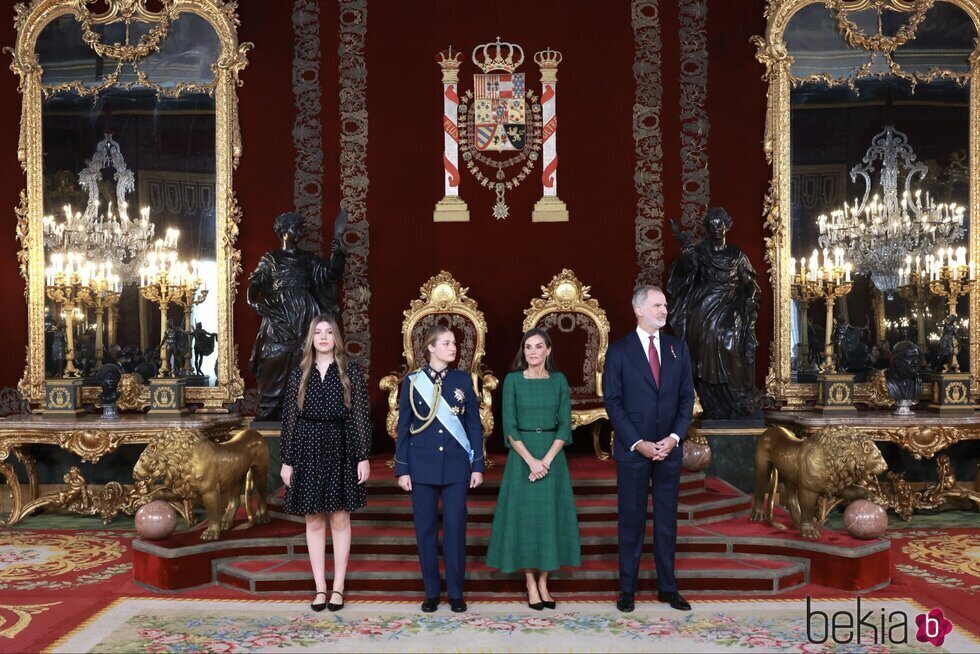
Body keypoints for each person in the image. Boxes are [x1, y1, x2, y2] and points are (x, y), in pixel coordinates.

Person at [603, 285, 695, 613]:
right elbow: (612, 402)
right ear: (638, 310)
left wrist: (673, 438)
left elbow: (687, 398)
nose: (663, 310)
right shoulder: (619, 351)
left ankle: (667, 588)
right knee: (632, 520)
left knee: (667, 522)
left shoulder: (677, 348)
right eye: (657, 305)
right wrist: (638, 443)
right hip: (633, 451)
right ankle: (627, 589)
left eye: (665, 305)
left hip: (669, 450)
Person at [279, 314, 372, 612]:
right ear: (311, 338)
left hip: (341, 444)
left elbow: (359, 416)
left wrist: (363, 456)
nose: (322, 337)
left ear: (335, 338)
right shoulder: (299, 374)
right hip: (306, 446)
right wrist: (287, 460)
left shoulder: (350, 372)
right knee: (313, 518)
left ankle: (338, 588)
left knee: (340, 518)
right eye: (317, 332)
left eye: (328, 332)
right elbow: (289, 420)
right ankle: (320, 588)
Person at [486, 328, 580, 610]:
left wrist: (546, 461)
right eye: (528, 347)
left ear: (548, 351)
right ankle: (530, 582)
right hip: (522, 456)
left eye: (539, 347)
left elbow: (565, 424)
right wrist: (531, 460)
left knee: (549, 518)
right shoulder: (513, 380)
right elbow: (509, 426)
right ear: (523, 352)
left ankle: (544, 582)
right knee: (526, 519)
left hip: (552, 456)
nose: (533, 352)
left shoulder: (559, 380)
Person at [394, 324, 484, 613]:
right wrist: (403, 469)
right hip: (421, 466)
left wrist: (477, 464)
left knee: (456, 529)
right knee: (426, 531)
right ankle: (432, 592)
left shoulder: (463, 380)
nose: (452, 347)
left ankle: (456, 593)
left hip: (457, 465)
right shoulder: (412, 381)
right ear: (430, 348)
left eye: (454, 343)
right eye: (445, 343)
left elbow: (473, 424)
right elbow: (403, 428)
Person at [248, 211, 347, 421]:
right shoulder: (271, 258)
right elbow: (256, 281)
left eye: (301, 229)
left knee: (303, 357)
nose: (300, 233)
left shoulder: (307, 259)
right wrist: (251, 300)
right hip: (278, 311)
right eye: (296, 229)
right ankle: (270, 405)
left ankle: (300, 405)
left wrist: (338, 254)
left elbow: (330, 273)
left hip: (305, 311)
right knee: (274, 355)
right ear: (284, 232)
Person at [666, 206, 761, 419]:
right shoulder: (701, 252)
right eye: (712, 224)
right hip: (704, 301)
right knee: (708, 334)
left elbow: (750, 282)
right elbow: (683, 274)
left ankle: (735, 395)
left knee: (730, 337)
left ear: (727, 226)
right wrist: (687, 259)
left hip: (732, 302)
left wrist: (750, 298)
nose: (717, 228)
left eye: (721, 223)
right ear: (707, 228)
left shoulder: (737, 255)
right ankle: (710, 396)